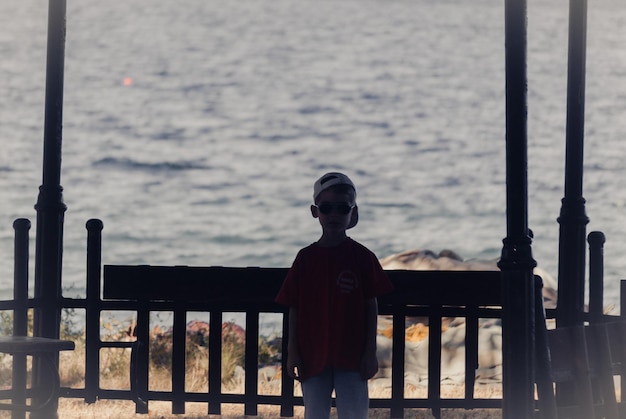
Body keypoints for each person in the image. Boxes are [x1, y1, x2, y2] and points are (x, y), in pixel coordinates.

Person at [275, 172, 393, 419]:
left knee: (354, 413)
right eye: (326, 207)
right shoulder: (305, 259)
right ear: (315, 211)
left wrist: (370, 352)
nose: (334, 215)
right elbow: (293, 308)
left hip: (352, 354)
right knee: (314, 412)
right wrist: (292, 351)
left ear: (354, 212)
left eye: (342, 208)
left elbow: (372, 306)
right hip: (311, 353)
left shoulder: (363, 257)